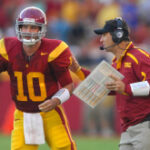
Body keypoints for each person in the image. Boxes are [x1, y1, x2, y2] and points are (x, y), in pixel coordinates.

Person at [0, 6, 79, 150]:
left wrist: (56, 100)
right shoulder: (7, 47)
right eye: (24, 27)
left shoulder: (54, 50)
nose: (28, 31)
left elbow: (69, 85)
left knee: (64, 147)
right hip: (23, 114)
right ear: (19, 27)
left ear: (41, 29)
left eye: (33, 27)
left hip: (50, 113)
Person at [94, 17, 150, 150]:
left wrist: (125, 87)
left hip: (145, 126)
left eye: (104, 35)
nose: (101, 39)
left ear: (117, 35)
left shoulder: (138, 56)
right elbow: (120, 89)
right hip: (128, 128)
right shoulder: (116, 62)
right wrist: (78, 70)